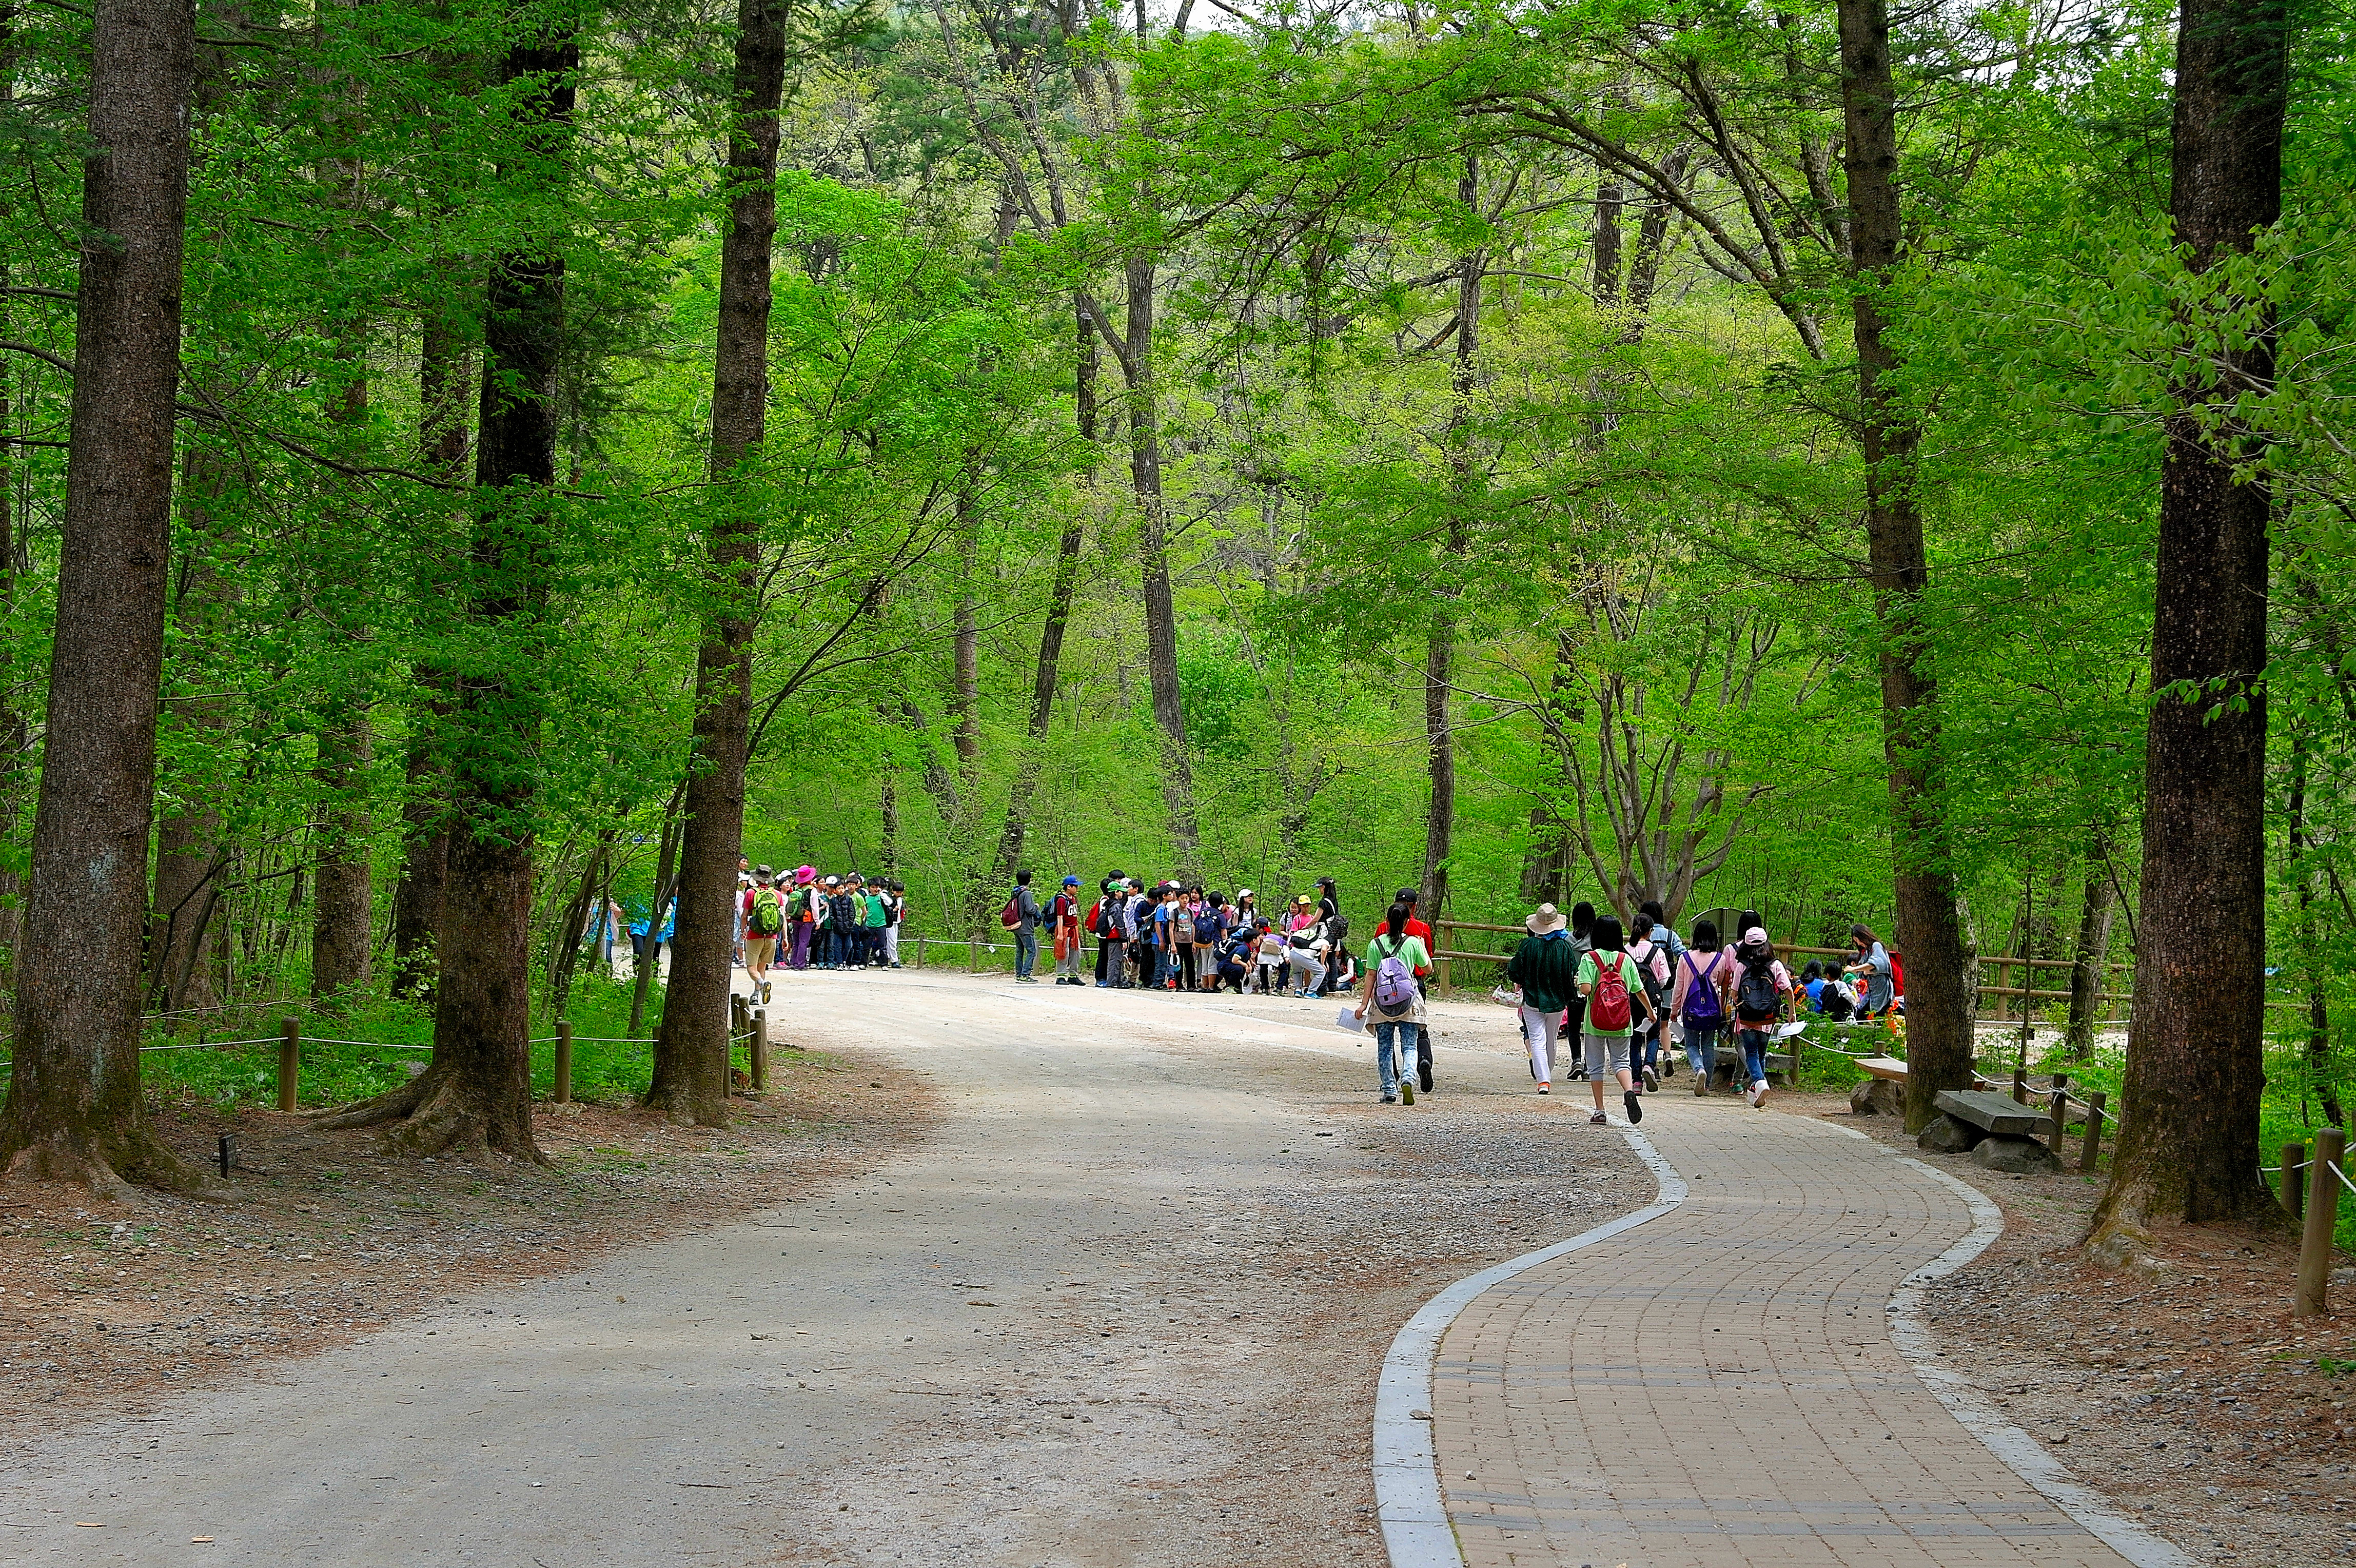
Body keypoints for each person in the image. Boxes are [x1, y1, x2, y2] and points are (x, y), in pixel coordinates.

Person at [1576, 914, 1656, 1126]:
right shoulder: (1626, 959)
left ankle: (1600, 1110)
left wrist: (1583, 983)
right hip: (1622, 1021)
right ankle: (1629, 1091)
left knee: (1595, 1065)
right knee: (1621, 1062)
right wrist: (1651, 1012)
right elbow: (1639, 990)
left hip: (1595, 1021)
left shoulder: (1589, 958)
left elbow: (1585, 989)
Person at [1505, 903, 1579, 1093]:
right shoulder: (1564, 947)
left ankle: (1543, 1080)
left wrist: (1522, 979)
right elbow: (1571, 970)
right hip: (1557, 1001)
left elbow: (1514, 970)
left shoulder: (1528, 946)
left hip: (1532, 1000)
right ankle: (1547, 1073)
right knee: (1551, 1039)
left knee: (1537, 1039)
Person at [1732, 922, 1794, 1108]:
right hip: (1768, 1016)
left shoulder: (1742, 966)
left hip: (1747, 1017)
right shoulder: (1775, 965)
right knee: (1761, 1054)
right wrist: (1791, 1012)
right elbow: (1788, 989)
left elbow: (1735, 993)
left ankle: (1759, 1082)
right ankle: (1756, 1090)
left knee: (1751, 1052)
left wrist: (1739, 1004)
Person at [1671, 919, 1732, 1095]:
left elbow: (1679, 987)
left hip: (1690, 1009)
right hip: (1713, 1009)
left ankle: (1699, 1070)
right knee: (1708, 1046)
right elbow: (1721, 983)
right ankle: (1707, 1084)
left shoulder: (1685, 958)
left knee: (1691, 1045)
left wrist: (1674, 1011)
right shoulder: (1721, 959)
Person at [1394, 887, 1437, 1093]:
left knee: (1387, 1029)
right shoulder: (1422, 929)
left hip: (1388, 987)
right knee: (1418, 1027)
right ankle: (1424, 1060)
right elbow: (1428, 956)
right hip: (1414, 983)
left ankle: (1392, 1070)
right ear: (1415, 906)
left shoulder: (1384, 927)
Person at [1627, 914, 1671, 1090]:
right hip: (1653, 1000)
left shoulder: (1625, 951)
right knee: (1653, 1036)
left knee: (1634, 1040)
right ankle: (1649, 1065)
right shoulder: (1657, 952)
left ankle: (1636, 1081)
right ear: (1650, 931)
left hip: (1630, 1000)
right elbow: (1664, 980)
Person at [743, 868, 786, 1001]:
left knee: (751, 967)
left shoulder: (751, 893)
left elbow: (744, 916)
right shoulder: (777, 894)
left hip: (755, 935)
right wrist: (785, 937)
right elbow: (782, 917)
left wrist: (742, 930)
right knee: (762, 966)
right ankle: (755, 996)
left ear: (756, 879)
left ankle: (762, 984)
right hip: (772, 936)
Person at [1845, 923, 1895, 1020]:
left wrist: (1854, 969)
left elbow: (1878, 963)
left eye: (1858, 940)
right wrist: (1865, 971)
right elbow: (1864, 972)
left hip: (1882, 991)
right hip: (1871, 992)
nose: (1859, 943)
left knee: (1879, 1017)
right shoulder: (1867, 951)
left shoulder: (1876, 946)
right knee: (1860, 1015)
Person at [1050, 875, 1084, 984]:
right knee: (1064, 952)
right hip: (1064, 929)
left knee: (1076, 952)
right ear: (1069, 887)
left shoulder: (1072, 899)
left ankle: (1073, 975)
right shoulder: (1061, 899)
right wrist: (1060, 933)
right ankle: (1061, 975)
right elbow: (1060, 916)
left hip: (1073, 929)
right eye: (1075, 887)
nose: (1077, 889)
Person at [1009, 870, 1042, 983]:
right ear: (1029, 880)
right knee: (1032, 951)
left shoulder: (1016, 892)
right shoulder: (1027, 893)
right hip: (1026, 927)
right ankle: (1025, 974)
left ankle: (1019, 974)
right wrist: (1036, 906)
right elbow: (1030, 909)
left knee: (1019, 950)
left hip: (1016, 926)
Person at [882, 879, 906, 967]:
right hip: (890, 923)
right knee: (891, 942)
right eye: (897, 892)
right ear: (893, 891)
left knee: (894, 942)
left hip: (897, 922)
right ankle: (894, 960)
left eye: (900, 892)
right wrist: (893, 910)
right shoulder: (889, 899)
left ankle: (889, 957)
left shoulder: (901, 900)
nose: (899, 894)